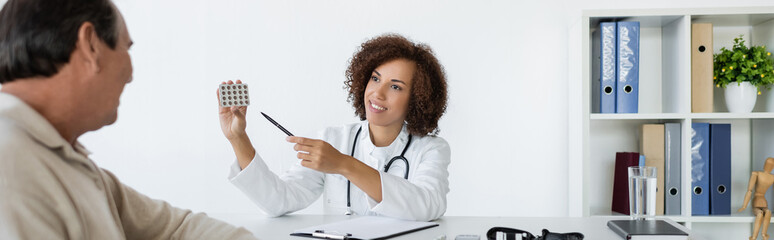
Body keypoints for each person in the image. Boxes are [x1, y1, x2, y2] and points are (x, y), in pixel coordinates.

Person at [0, 0, 257, 239]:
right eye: (126, 47)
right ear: (90, 45)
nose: (130, 75)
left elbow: (176, 228)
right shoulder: (10, 165)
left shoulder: (68, 161)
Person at [220, 34, 450, 221]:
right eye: (375, 79)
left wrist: (343, 164)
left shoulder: (431, 149)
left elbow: (428, 205)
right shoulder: (333, 140)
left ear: (418, 98)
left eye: (396, 87)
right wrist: (238, 138)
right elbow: (278, 201)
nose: (377, 94)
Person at [739, 157, 774, 240]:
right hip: (763, 200)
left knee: (760, 214)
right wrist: (744, 206)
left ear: (765, 165)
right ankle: (763, 234)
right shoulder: (772, 177)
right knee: (767, 212)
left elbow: (749, 190)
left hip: (757, 199)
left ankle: (755, 236)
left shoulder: (757, 173)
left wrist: (744, 206)